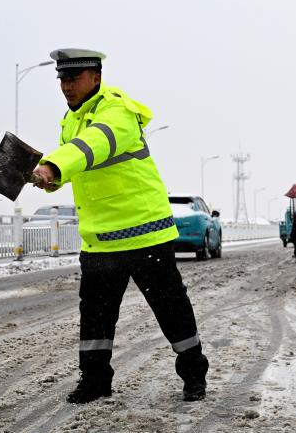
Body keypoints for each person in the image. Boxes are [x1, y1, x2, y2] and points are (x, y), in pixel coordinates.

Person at [30, 48, 209, 404]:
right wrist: (52, 178)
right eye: (62, 79)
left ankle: (194, 375)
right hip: (100, 240)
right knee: (95, 317)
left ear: (96, 77)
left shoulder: (117, 112)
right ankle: (95, 382)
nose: (66, 86)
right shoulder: (71, 121)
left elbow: (93, 145)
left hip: (145, 233)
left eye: (74, 78)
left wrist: (54, 165)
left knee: (171, 310)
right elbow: (79, 161)